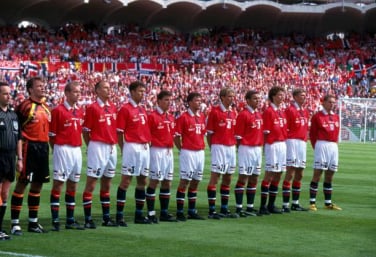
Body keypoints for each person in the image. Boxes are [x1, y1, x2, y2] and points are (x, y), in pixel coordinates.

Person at [10, 76, 51, 235]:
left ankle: (33, 222)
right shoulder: (24, 106)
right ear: (30, 89)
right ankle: (15, 223)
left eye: (43, 85)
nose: (42, 88)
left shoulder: (46, 107)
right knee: (22, 182)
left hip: (43, 148)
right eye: (39, 86)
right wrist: (18, 155)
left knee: (38, 184)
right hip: (29, 148)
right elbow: (16, 131)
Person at [82, 80, 118, 229]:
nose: (109, 90)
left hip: (111, 147)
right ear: (97, 91)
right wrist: (91, 146)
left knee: (107, 183)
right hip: (97, 146)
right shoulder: (92, 108)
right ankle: (88, 219)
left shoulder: (113, 107)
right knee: (91, 182)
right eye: (105, 88)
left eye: (109, 88)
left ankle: (106, 217)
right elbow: (85, 131)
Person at [49, 81, 85, 231]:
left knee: (73, 184)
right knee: (58, 183)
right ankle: (56, 220)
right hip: (63, 149)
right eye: (75, 92)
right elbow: (51, 135)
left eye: (79, 92)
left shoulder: (80, 111)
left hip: (77, 150)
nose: (78, 94)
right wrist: (56, 149)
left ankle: (70, 220)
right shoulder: (58, 110)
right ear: (67, 93)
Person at [116, 81, 151, 225]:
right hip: (131, 146)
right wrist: (124, 148)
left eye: (144, 91)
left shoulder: (143, 109)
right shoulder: (125, 109)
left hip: (144, 147)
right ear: (132, 92)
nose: (142, 94)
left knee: (142, 180)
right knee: (126, 181)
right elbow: (119, 132)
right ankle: (119, 216)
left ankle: (139, 215)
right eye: (140, 91)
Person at [206, 87, 238, 219]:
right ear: (222, 97)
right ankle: (212, 210)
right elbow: (209, 134)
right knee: (215, 176)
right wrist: (213, 147)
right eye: (229, 96)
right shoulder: (214, 112)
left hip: (231, 147)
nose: (231, 99)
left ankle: (224, 208)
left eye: (232, 96)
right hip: (219, 146)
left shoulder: (233, 112)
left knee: (228, 176)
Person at [174, 92, 206, 221]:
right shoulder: (184, 117)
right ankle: (180, 212)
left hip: (200, 152)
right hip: (188, 152)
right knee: (184, 181)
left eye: (200, 100)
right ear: (190, 102)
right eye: (196, 100)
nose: (199, 102)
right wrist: (182, 149)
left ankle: (192, 210)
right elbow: (177, 136)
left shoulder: (202, 116)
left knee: (196, 181)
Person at [145, 90, 177, 222]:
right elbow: (147, 135)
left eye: (170, 100)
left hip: (168, 151)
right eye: (165, 100)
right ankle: (151, 213)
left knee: (167, 182)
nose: (168, 103)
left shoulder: (170, 116)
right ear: (158, 101)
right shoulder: (152, 116)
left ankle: (164, 212)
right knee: (154, 181)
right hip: (156, 151)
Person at [308, 94, 342, 211]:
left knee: (330, 174)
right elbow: (312, 134)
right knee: (317, 173)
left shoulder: (336, 116)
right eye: (330, 102)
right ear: (324, 102)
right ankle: (312, 202)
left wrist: (335, 145)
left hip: (333, 146)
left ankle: (328, 203)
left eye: (333, 102)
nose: (332, 104)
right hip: (321, 144)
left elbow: (336, 133)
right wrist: (316, 147)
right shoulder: (317, 116)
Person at [234, 90, 263, 217]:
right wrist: (241, 150)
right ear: (248, 100)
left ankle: (250, 207)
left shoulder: (258, 114)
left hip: (257, 149)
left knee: (254, 177)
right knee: (243, 177)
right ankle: (239, 208)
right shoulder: (243, 115)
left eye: (258, 98)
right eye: (255, 98)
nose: (258, 100)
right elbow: (238, 137)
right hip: (246, 148)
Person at [259, 86, 287, 215]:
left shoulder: (281, 111)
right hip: (272, 145)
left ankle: (271, 204)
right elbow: (265, 132)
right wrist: (266, 147)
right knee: (269, 174)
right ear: (273, 96)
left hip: (282, 144)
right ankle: (263, 206)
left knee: (279, 174)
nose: (282, 97)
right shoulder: (269, 111)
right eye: (280, 95)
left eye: (283, 95)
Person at [281, 88, 309, 212]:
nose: (304, 97)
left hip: (302, 143)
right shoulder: (289, 110)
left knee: (300, 173)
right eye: (301, 95)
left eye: (305, 95)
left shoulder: (305, 111)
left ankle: (295, 203)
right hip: (291, 142)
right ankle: (285, 204)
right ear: (295, 97)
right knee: (290, 172)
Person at [0, 82, 22, 240]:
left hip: (10, 157)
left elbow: (19, 138)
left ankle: (0, 228)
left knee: (5, 193)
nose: (9, 96)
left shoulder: (13, 115)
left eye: (9, 93)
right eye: (5, 93)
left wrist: (20, 158)